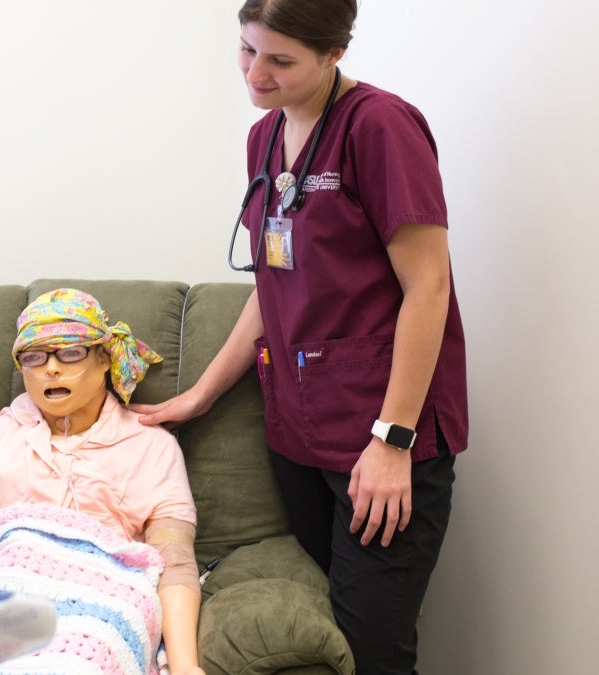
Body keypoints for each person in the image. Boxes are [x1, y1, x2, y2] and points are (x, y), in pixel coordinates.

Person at [131, 2, 468, 674]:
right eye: (247, 49)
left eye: (280, 61)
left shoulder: (379, 128)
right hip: (300, 429)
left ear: (334, 53)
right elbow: (273, 283)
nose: (256, 73)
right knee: (328, 633)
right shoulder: (265, 137)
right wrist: (199, 395)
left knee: (372, 649)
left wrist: (393, 437)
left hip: (381, 434)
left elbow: (429, 288)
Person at [0, 288, 206, 675]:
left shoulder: (152, 447)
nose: (51, 369)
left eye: (70, 352)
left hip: (99, 601)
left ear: (104, 358)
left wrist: (185, 664)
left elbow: (175, 561)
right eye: (34, 357)